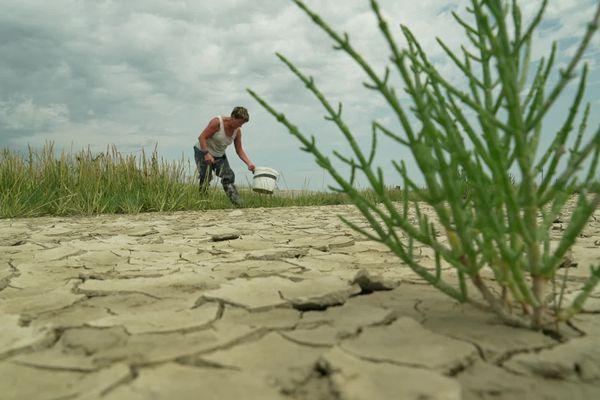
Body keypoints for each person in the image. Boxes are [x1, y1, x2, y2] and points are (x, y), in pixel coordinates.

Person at [193, 106, 255, 206]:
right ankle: (203, 202)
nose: (241, 126)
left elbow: (239, 150)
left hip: (219, 155)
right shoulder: (217, 122)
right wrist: (206, 154)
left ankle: (238, 204)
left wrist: (249, 163)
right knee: (206, 177)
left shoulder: (237, 131)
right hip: (202, 151)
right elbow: (202, 137)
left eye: (242, 123)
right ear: (233, 117)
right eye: (240, 122)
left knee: (229, 176)